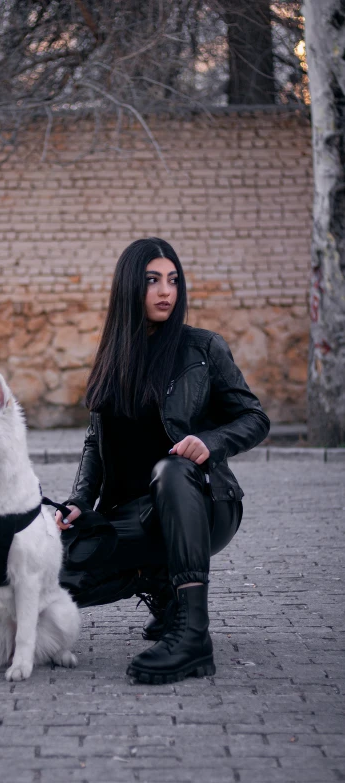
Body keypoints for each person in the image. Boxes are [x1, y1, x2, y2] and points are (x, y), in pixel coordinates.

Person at [55, 237, 270, 685]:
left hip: (205, 504)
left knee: (170, 469)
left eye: (173, 280)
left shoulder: (204, 349)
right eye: (152, 280)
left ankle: (193, 636)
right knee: (57, 572)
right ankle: (161, 582)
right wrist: (80, 502)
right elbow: (96, 443)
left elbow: (255, 417)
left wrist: (210, 441)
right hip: (134, 515)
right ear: (129, 287)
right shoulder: (114, 357)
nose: (165, 291)